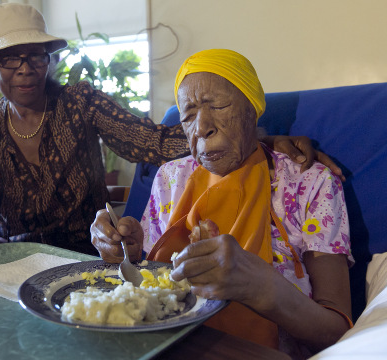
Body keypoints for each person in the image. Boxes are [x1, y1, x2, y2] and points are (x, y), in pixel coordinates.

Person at [0, 4, 341, 263]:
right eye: (8, 60)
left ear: (48, 60)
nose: (25, 68)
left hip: (89, 255)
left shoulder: (80, 101)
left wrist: (253, 138)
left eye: (35, 56)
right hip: (13, 258)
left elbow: (153, 142)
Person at [91, 49, 354, 358]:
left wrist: (262, 288)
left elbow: (336, 334)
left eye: (218, 105)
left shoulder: (309, 183)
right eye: (188, 115)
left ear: (253, 112)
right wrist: (127, 252)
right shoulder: (170, 177)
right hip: (165, 344)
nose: (202, 126)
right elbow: (150, 282)